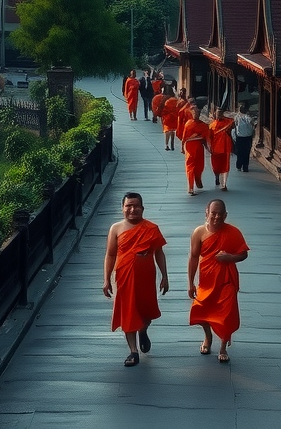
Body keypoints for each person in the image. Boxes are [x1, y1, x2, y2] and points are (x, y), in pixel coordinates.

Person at [103, 192, 169, 367]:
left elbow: (159, 253)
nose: (132, 209)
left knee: (146, 312)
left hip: (146, 277)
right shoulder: (116, 228)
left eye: (136, 206)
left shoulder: (151, 228)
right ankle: (133, 351)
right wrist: (106, 279)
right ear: (122, 208)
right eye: (128, 206)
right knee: (128, 312)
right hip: (124, 277)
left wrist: (165, 276)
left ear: (142, 208)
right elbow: (110, 254)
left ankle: (143, 330)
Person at [188, 199, 249, 363]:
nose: (216, 217)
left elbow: (244, 253)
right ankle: (208, 337)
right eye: (213, 213)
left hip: (227, 280)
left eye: (220, 214)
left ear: (225, 215)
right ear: (206, 213)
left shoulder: (233, 232)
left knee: (226, 314)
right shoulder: (199, 232)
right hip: (207, 281)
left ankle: (223, 347)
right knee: (200, 310)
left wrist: (230, 257)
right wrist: (190, 283)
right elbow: (193, 258)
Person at [180, 105, 212, 196]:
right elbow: (184, 137)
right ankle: (190, 187)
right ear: (191, 114)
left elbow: (206, 139)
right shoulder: (188, 124)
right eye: (194, 113)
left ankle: (198, 178)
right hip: (190, 147)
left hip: (199, 147)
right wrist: (182, 147)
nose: (195, 115)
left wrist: (209, 148)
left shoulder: (204, 125)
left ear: (199, 114)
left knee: (199, 166)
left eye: (197, 113)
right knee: (190, 167)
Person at [208, 107, 235, 190]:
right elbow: (209, 138)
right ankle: (217, 176)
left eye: (220, 114)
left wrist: (224, 117)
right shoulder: (211, 125)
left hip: (225, 148)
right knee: (216, 166)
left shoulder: (227, 122)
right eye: (218, 114)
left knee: (225, 166)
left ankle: (224, 185)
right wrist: (209, 148)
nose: (219, 115)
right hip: (215, 149)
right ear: (214, 114)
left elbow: (233, 121)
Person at [233, 102, 255, 172]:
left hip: (240, 137)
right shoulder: (247, 117)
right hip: (247, 137)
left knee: (240, 152)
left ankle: (239, 166)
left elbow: (235, 125)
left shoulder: (237, 117)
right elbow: (252, 122)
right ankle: (245, 167)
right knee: (246, 152)